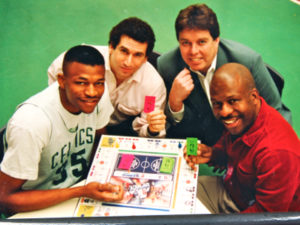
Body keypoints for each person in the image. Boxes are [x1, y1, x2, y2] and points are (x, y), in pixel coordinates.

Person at [0, 45, 124, 215]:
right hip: (37, 205)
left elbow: (99, 137)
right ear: (61, 80)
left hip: (79, 188)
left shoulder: (96, 97)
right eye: (81, 82)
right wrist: (80, 191)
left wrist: (100, 178)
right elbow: (4, 200)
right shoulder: (31, 123)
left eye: (99, 83)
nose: (91, 92)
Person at [157, 3, 291, 146]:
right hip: (205, 145)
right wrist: (175, 104)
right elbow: (169, 124)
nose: (193, 51)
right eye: (185, 43)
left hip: (246, 141)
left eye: (202, 42)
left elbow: (277, 113)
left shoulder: (247, 61)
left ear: (216, 40)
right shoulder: (167, 65)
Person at [184, 63, 300, 213]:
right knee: (178, 190)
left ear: (253, 96)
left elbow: (266, 217)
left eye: (232, 101)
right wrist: (213, 154)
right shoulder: (248, 118)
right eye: (217, 104)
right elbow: (232, 148)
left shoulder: (276, 154)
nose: (224, 112)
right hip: (232, 189)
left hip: (250, 213)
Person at [48, 17, 167, 138]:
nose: (128, 62)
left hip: (121, 130)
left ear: (146, 58)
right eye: (124, 51)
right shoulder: (80, 61)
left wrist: (152, 129)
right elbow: (55, 73)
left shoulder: (152, 85)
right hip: (79, 124)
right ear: (111, 47)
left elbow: (146, 127)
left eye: (137, 55)